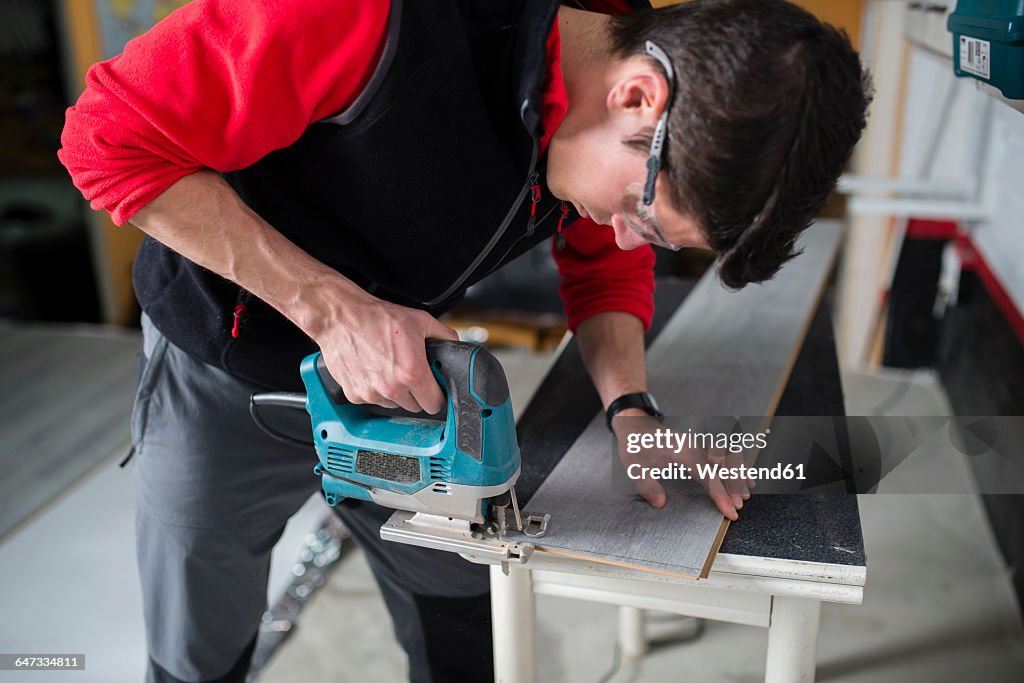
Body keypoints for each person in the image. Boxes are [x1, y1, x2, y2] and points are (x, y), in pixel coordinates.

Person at [58, 0, 870, 681]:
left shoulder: (612, 45)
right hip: (222, 367)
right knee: (199, 645)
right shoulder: (366, 17)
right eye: (643, 215)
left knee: (464, 613)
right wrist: (336, 312)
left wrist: (631, 405)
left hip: (405, 379)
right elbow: (105, 139)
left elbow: (599, 267)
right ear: (638, 99)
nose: (628, 238)